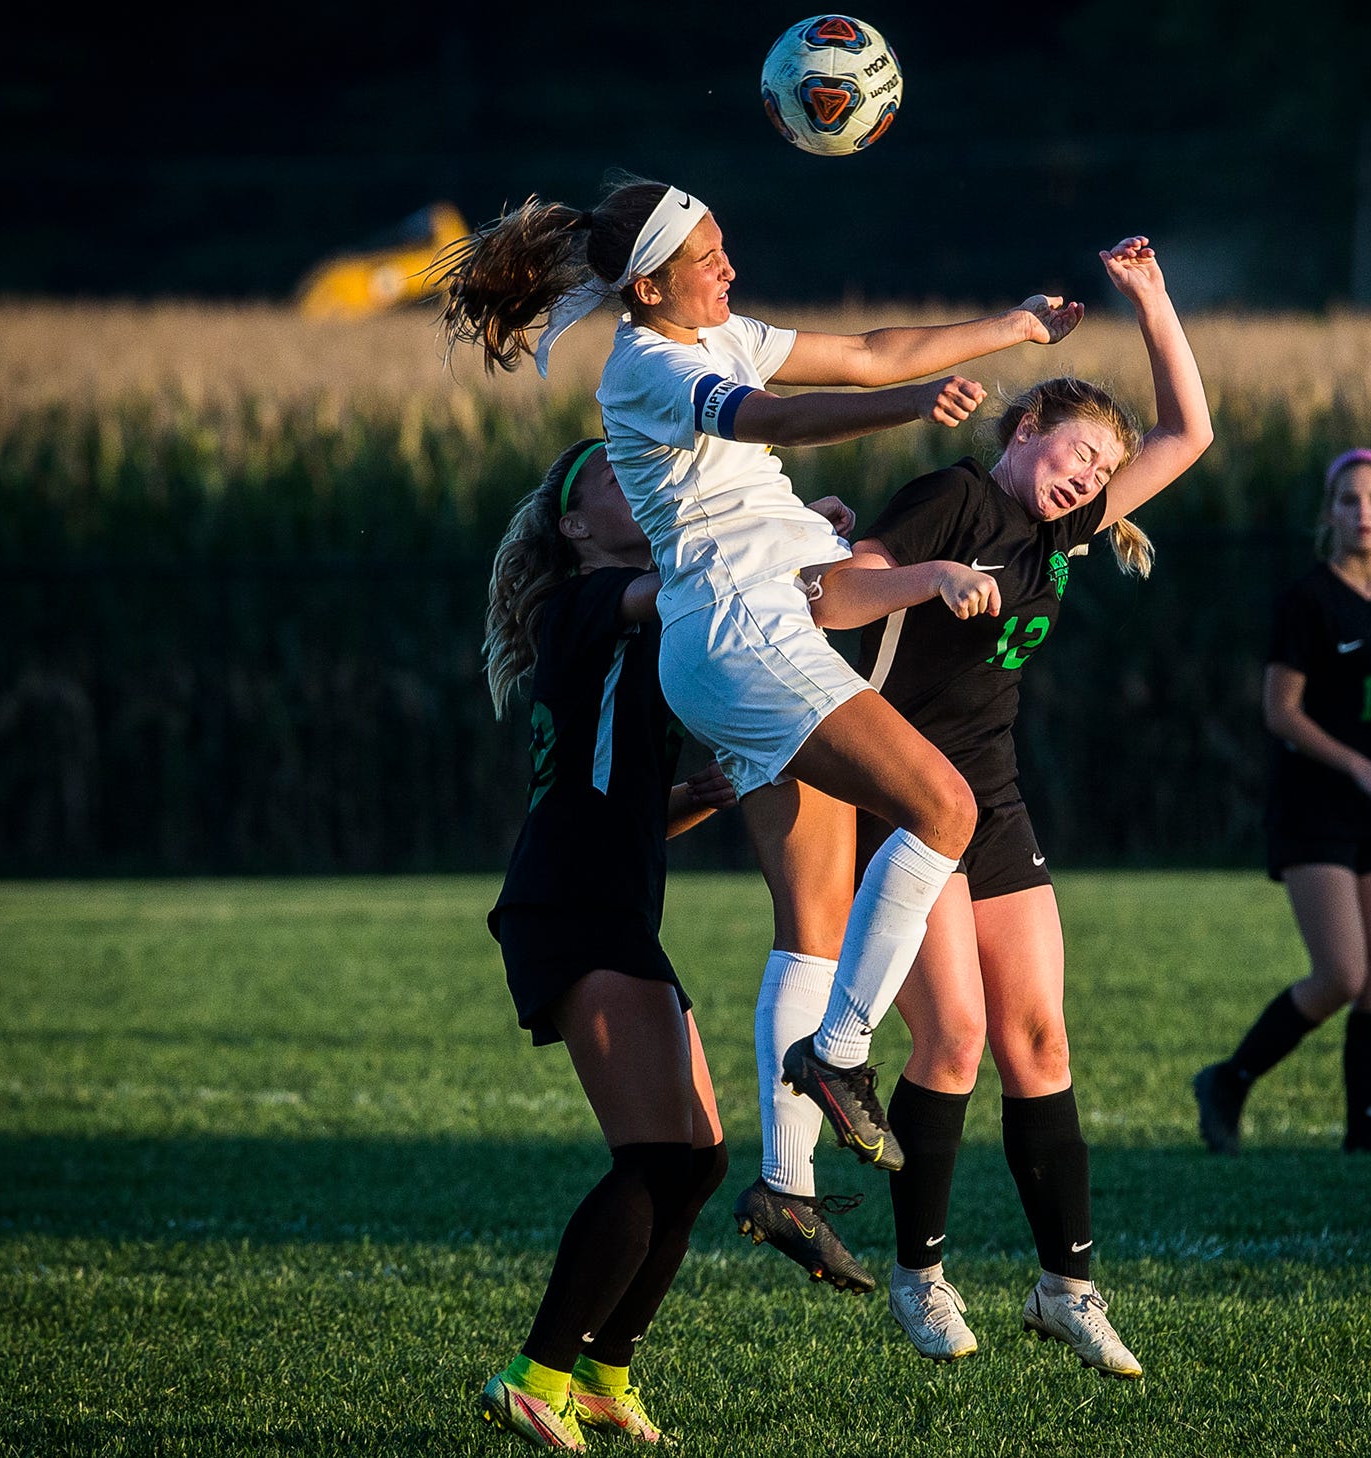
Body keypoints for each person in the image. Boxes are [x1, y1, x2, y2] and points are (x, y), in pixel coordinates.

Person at [438, 174, 1083, 1289]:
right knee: (944, 806)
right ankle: (837, 1059)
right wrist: (909, 410)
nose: (729, 266)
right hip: (743, 630)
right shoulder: (648, 361)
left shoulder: (716, 329)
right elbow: (774, 419)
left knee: (825, 907)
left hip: (757, 621)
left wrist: (1015, 324)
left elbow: (876, 348)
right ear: (649, 282)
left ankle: (792, 1168)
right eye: (709, 254)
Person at [802, 236, 1213, 1376]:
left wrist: (1153, 298)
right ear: (1026, 431)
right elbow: (834, 594)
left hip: (996, 800)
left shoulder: (1061, 532)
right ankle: (919, 1277)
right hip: (907, 798)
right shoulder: (951, 497)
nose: (1089, 479)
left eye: (1100, 471)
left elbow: (1191, 435)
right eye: (1076, 453)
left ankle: (1064, 1287)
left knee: (1039, 1040)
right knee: (958, 1037)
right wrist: (927, 579)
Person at [475, 438, 735, 1452]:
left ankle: (600, 1373)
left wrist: (693, 802)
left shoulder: (624, 635)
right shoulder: (587, 606)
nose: (646, 481)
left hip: (605, 905)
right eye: (619, 478)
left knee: (701, 1161)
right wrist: (774, 539)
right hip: (573, 910)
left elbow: (605, 800)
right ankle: (533, 1373)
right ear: (576, 529)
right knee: (654, 1157)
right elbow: (681, 595)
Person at [1192, 449, 1371, 1158]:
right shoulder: (1307, 601)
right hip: (1313, 808)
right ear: (1329, 514)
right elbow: (1281, 711)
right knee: (1342, 975)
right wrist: (1360, 768)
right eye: (1349, 500)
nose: (1363, 512)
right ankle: (1227, 1081)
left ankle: (1366, 1134)